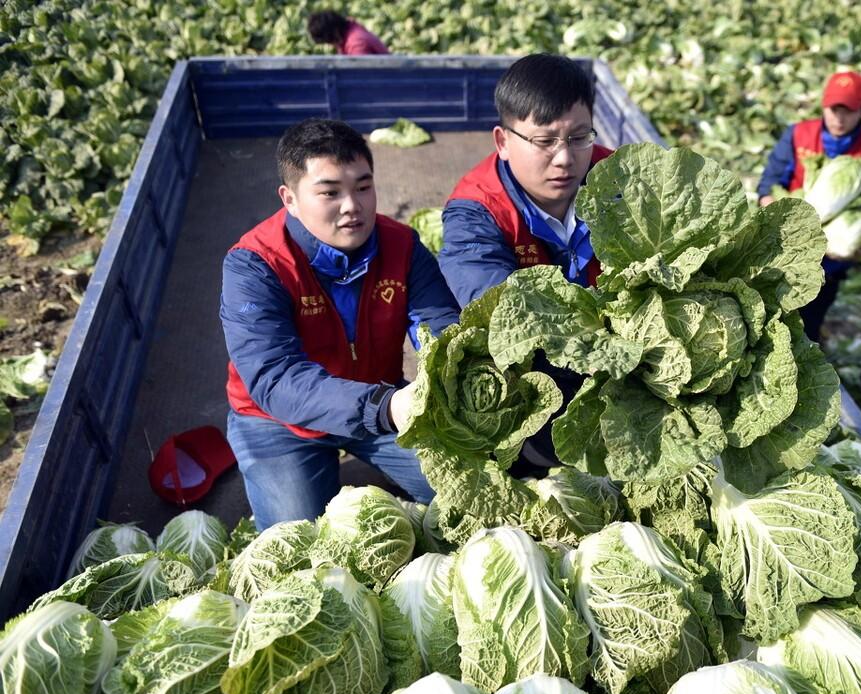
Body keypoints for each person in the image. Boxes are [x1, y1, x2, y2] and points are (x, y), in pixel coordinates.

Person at [220, 118, 459, 529]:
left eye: (363, 187)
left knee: (464, 495)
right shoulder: (254, 264)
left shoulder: (401, 245)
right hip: (280, 422)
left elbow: (440, 328)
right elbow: (275, 380)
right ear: (290, 198)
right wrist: (384, 408)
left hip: (379, 403)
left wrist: (451, 379)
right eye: (330, 192)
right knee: (299, 542)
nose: (353, 206)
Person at [438, 53, 613, 469]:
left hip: (634, 356)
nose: (565, 159)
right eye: (544, 141)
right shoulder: (475, 212)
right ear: (502, 141)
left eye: (578, 137)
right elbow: (503, 311)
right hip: (542, 372)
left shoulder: (621, 176)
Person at [757, 71, 861, 344]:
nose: (839, 119)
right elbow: (769, 183)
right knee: (761, 314)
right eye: (834, 110)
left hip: (828, 264)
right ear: (823, 106)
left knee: (802, 331)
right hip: (779, 246)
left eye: (848, 111)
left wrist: (857, 245)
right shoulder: (799, 134)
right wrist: (780, 218)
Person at [307, 10, 389, 55]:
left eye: (330, 42)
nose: (332, 45)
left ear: (335, 33)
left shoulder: (357, 44)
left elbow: (361, 76)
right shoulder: (350, 29)